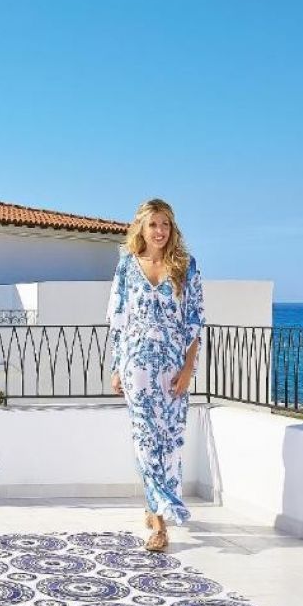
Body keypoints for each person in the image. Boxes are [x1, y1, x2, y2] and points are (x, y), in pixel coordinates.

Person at [106, 198, 205, 552]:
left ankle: (155, 504)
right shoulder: (126, 266)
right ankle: (161, 525)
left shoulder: (186, 267)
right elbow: (118, 321)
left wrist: (188, 369)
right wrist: (117, 365)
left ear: (172, 228)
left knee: (170, 440)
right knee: (145, 439)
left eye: (165, 224)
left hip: (173, 367)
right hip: (136, 366)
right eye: (153, 224)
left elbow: (195, 322)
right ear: (141, 228)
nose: (160, 231)